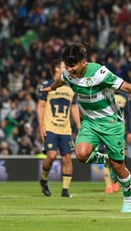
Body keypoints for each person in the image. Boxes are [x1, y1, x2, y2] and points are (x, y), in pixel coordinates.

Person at [41, 43, 131, 213]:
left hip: (111, 123)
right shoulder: (68, 74)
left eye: (73, 66)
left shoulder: (99, 73)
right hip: (89, 122)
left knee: (119, 166)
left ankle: (128, 199)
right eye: (67, 66)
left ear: (83, 63)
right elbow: (60, 80)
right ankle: (106, 160)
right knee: (80, 154)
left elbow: (127, 87)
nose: (69, 70)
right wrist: (51, 87)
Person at [38, 59, 81, 198]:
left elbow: (74, 107)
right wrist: (41, 126)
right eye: (64, 66)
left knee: (67, 158)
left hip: (65, 130)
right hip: (50, 127)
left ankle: (65, 190)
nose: (67, 68)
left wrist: (79, 125)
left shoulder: (71, 87)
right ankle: (44, 179)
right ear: (57, 69)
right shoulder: (47, 85)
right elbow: (41, 106)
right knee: (51, 155)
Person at [101, 91, 131, 194]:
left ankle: (115, 180)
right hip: (106, 130)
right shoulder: (104, 95)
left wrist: (129, 132)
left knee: (121, 158)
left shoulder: (125, 97)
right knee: (106, 157)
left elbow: (127, 115)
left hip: (120, 131)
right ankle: (108, 185)